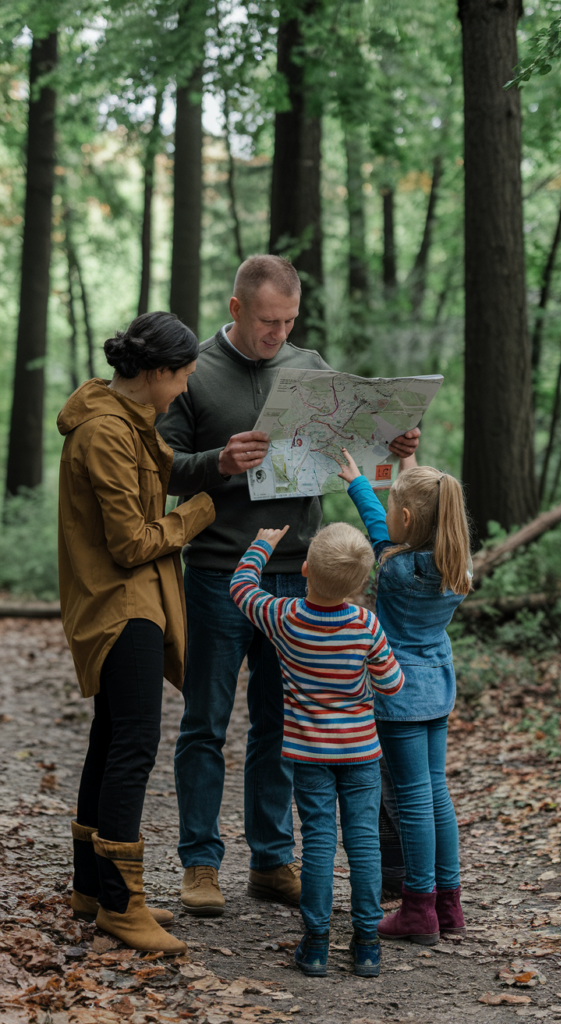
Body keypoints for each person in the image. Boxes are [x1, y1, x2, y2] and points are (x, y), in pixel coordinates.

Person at [157, 254, 420, 916]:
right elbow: (159, 469)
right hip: (220, 568)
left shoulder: (313, 370)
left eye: (289, 321)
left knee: (282, 722)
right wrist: (216, 461)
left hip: (299, 571)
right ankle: (200, 864)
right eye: (268, 321)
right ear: (237, 308)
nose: (279, 333)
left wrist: (393, 439)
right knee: (205, 722)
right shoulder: (195, 374)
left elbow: (350, 446)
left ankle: (272, 860)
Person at [58, 312, 215, 954]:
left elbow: (164, 466)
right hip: (121, 605)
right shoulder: (104, 433)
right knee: (135, 745)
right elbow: (131, 543)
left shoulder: (130, 426)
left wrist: (218, 467)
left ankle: (92, 889)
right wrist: (199, 514)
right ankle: (122, 905)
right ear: (154, 372)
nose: (182, 390)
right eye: (180, 378)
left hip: (134, 602)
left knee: (112, 735)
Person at [230, 522, 404, 976]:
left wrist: (260, 545)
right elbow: (392, 683)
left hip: (309, 756)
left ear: (306, 568)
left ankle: (317, 943)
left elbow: (241, 589)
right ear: (362, 583)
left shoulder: (285, 617)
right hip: (362, 753)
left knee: (320, 843)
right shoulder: (366, 624)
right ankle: (367, 943)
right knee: (364, 843)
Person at [338, 449, 471, 945]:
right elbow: (411, 515)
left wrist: (358, 484)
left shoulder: (396, 571)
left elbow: (379, 530)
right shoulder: (456, 562)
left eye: (395, 507)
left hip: (400, 694)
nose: (388, 513)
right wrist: (409, 461)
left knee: (413, 799)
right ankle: (448, 903)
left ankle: (418, 908)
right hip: (437, 686)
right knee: (436, 792)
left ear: (408, 519)